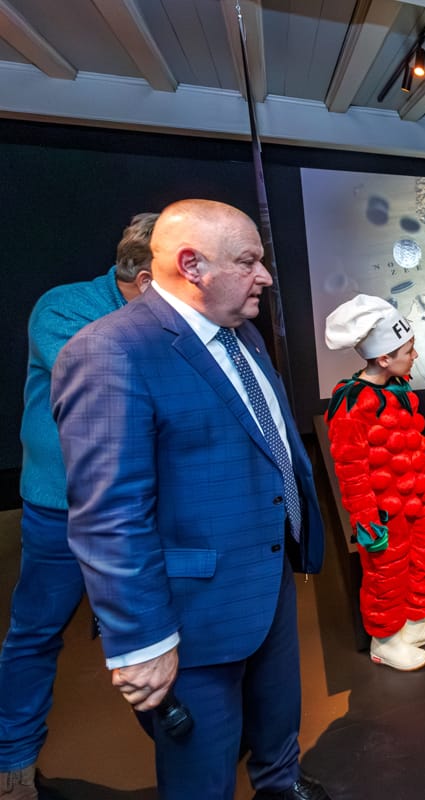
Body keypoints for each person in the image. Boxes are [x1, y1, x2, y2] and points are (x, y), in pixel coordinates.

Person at [49, 200, 328, 800]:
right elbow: (108, 516)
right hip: (191, 612)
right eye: (249, 261)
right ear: (191, 265)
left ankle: (281, 785)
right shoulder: (111, 352)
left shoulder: (241, 331)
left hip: (266, 573)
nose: (266, 276)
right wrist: (143, 641)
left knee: (278, 719)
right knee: (202, 769)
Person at [0, 213, 156, 798]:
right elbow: (114, 386)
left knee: (151, 631)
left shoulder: (160, 317)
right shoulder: (64, 308)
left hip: (138, 506)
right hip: (61, 510)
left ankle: (191, 737)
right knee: (35, 633)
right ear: (146, 277)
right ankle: (12, 764)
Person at [323, 294, 425, 671]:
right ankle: (385, 640)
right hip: (383, 512)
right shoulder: (350, 405)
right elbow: (351, 468)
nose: (414, 356)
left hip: (416, 501)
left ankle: (414, 623)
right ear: (384, 358)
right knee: (387, 575)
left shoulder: (398, 390)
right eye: (407, 350)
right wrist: (365, 520)